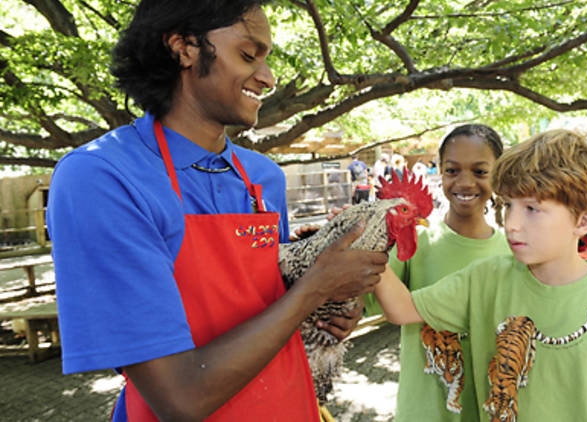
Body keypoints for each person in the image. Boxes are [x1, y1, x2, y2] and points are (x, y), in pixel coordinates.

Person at [46, 1, 387, 420]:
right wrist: (312, 289)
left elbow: (269, 311)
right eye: (248, 55)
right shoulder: (101, 178)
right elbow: (179, 398)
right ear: (184, 47)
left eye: (266, 59)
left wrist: (325, 309)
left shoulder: (262, 177)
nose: (267, 77)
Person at [373, 129, 587, 422]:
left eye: (532, 208)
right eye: (508, 205)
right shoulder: (485, 278)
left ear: (583, 219)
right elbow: (402, 309)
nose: (513, 223)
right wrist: (363, 245)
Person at [364, 124, 512, 421]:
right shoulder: (413, 242)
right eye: (452, 170)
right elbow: (364, 304)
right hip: (423, 412)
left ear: (499, 175)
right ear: (440, 172)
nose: (465, 182)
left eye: (480, 172)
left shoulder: (513, 254)